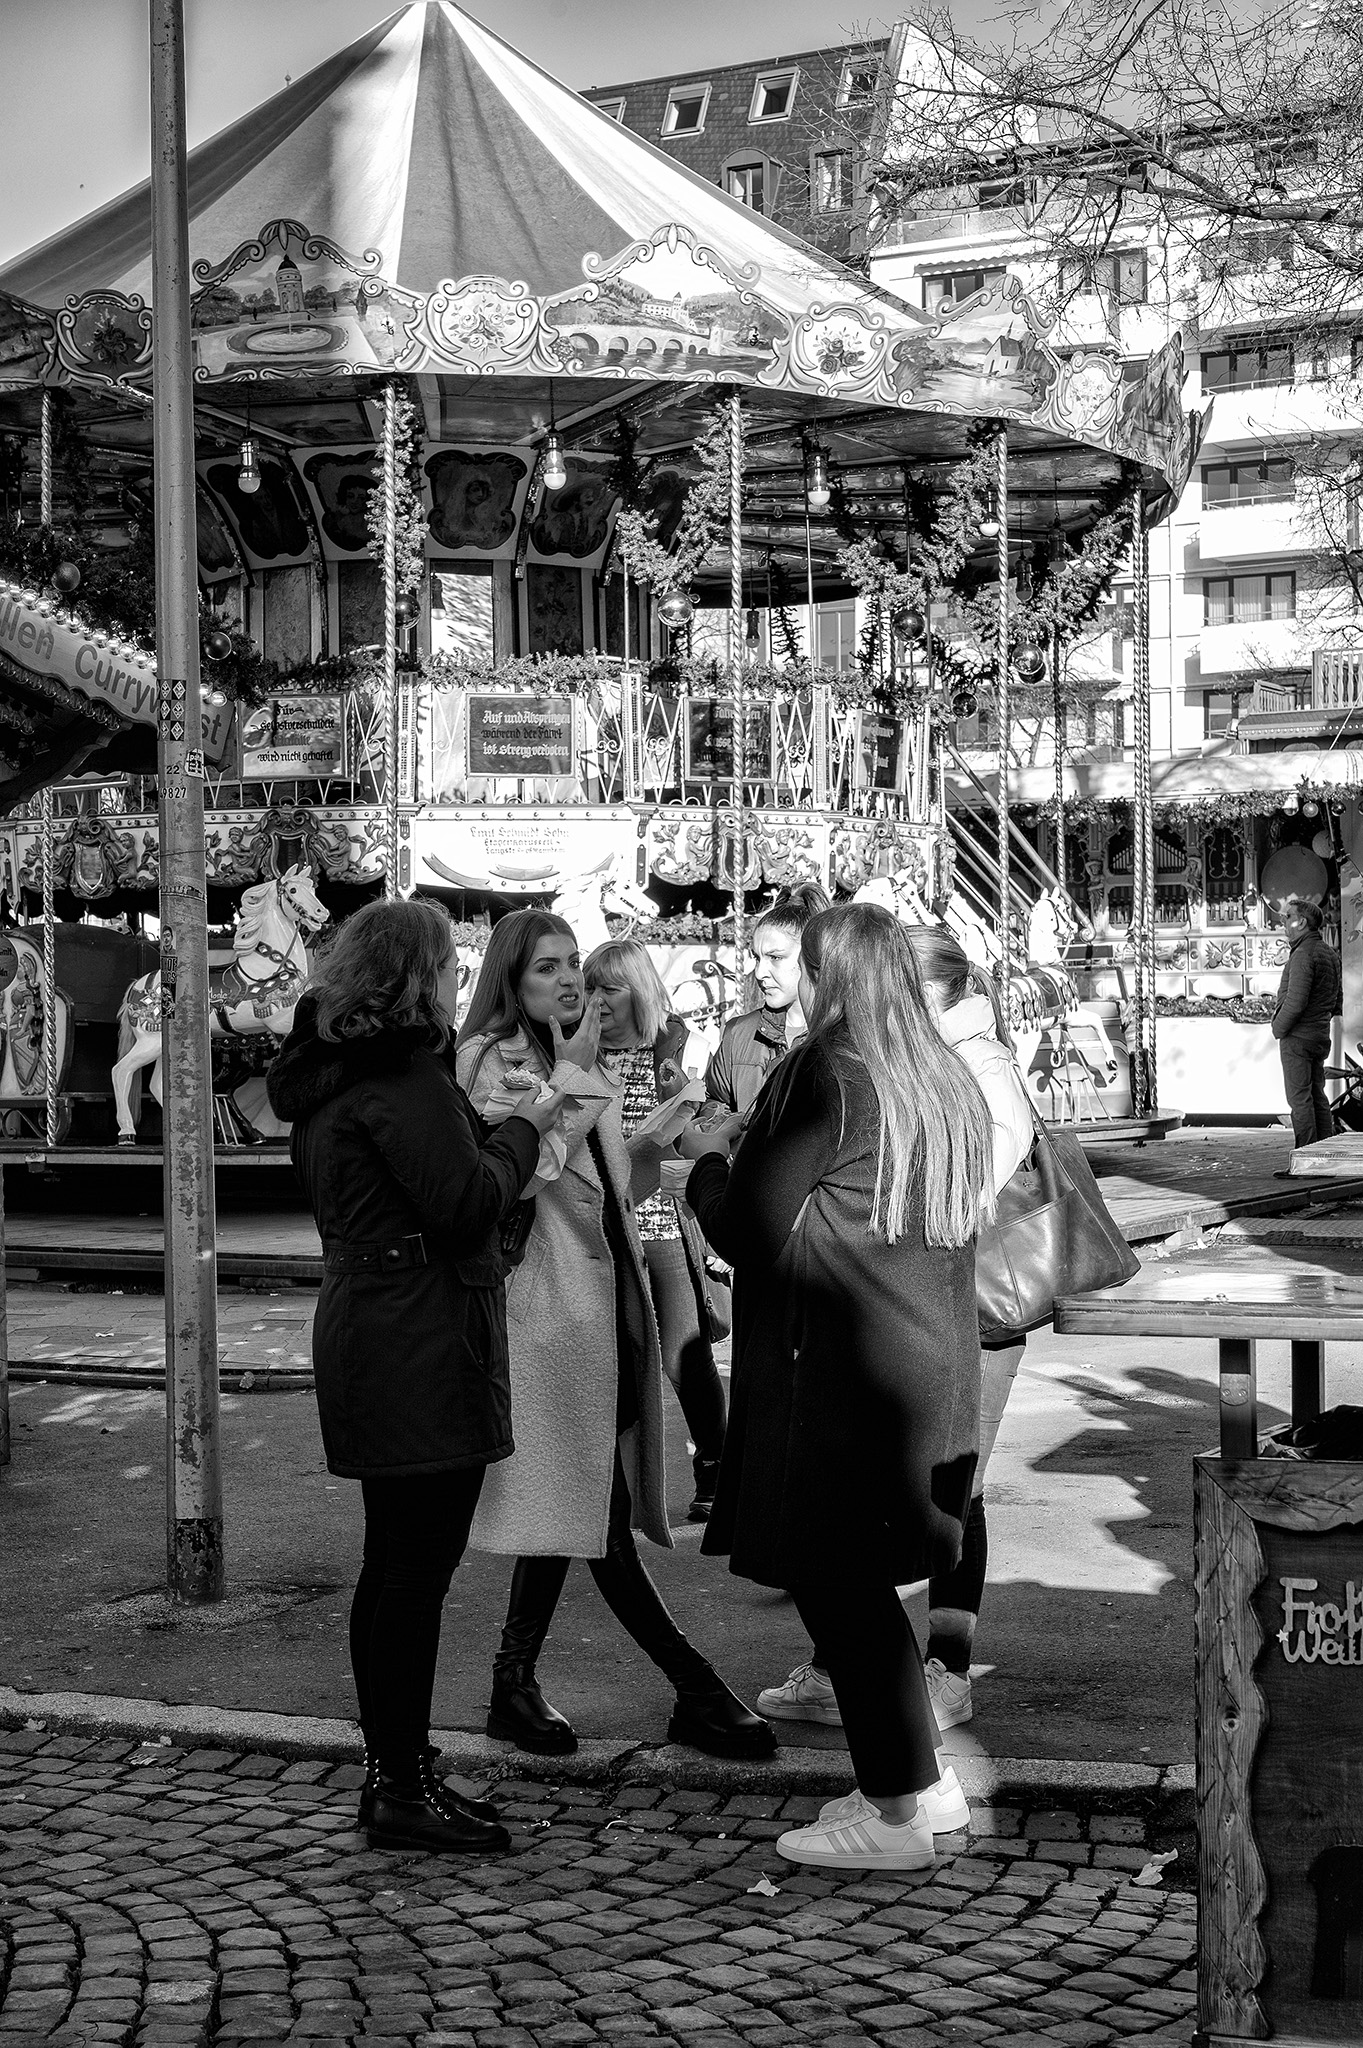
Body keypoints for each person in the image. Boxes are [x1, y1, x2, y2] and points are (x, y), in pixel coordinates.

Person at [684, 904, 995, 1872]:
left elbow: (744, 1226)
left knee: (838, 1587)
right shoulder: (938, 1070)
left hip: (837, 1374)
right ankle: (919, 1783)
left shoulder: (825, 1068)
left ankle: (897, 1812)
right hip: (923, 1364)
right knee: (858, 1589)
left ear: (827, 978)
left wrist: (705, 1162)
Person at [266, 899, 567, 1856]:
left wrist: (488, 1132)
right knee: (410, 1575)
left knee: (394, 1568)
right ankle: (400, 1784)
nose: (453, 983)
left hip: (376, 1323)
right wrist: (526, 1128)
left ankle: (398, 1775)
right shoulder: (401, 1074)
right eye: (445, 968)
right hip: (420, 1335)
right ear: (416, 977)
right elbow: (464, 1203)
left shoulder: (334, 1073)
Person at [455, 909, 775, 1762]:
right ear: (509, 980)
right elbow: (516, 1180)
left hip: (604, 1305)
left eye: (571, 963)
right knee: (595, 1507)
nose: (569, 980)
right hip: (543, 1314)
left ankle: (513, 1684)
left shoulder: (571, 1055)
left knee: (574, 1499)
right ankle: (694, 1688)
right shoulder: (489, 1060)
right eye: (546, 968)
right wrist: (571, 1077)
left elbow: (606, 1187)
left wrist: (667, 1141)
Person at [755, 921, 1034, 1740]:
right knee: (867, 1507)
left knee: (950, 1495)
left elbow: (948, 1199)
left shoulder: (972, 1069)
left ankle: (945, 1670)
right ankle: (839, 1670)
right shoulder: (912, 1060)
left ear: (934, 991)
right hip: (915, 1308)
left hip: (970, 1309)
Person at [584, 938, 728, 1522]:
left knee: (683, 1356)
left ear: (638, 992)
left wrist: (682, 1111)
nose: (595, 999)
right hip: (603, 1231)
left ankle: (717, 1472)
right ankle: (613, 1491)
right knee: (615, 1362)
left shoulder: (671, 1048)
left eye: (609, 988)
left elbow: (702, 1128)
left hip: (661, 1224)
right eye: (589, 987)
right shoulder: (575, 1053)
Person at [703, 882, 829, 1117]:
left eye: (775, 957)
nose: (760, 973)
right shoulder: (739, 1033)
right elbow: (713, 1100)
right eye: (757, 958)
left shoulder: (843, 1036)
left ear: (812, 956)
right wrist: (723, 1125)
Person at [1272, 898, 1342, 1148]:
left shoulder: (1303, 953)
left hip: (1298, 1038)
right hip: (1319, 1036)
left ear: (1301, 922)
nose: (1284, 921)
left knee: (1300, 1099)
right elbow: (1337, 1000)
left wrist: (1278, 1028)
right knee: (1317, 1095)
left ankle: (1307, 1156)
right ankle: (1323, 1153)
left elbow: (1296, 1002)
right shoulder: (1329, 953)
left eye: (1288, 917)